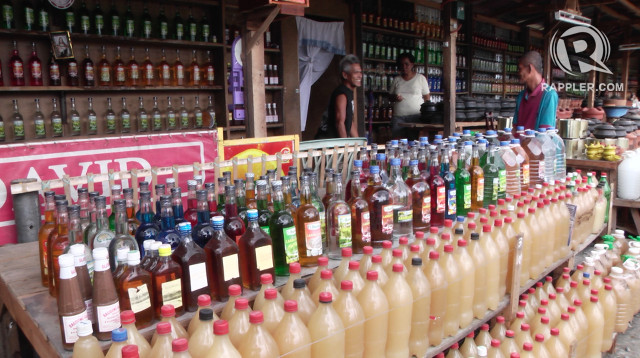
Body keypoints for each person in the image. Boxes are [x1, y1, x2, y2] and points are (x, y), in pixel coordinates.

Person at [319, 54, 362, 138]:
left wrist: (359, 144)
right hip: (330, 142)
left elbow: (349, 122)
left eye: (360, 72)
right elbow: (340, 122)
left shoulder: (349, 92)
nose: (360, 75)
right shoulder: (341, 94)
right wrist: (345, 146)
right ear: (345, 75)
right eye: (356, 72)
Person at [513, 51, 558, 130]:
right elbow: (515, 129)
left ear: (530, 68)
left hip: (537, 142)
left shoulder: (549, 95)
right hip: (520, 142)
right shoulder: (521, 96)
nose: (518, 72)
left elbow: (545, 136)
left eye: (520, 69)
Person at [389, 52, 430, 139]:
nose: (404, 67)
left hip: (416, 117)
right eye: (401, 64)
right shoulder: (397, 79)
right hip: (399, 117)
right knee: (397, 143)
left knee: (413, 142)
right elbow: (390, 97)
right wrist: (395, 98)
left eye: (406, 64)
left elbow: (427, 98)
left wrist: (426, 115)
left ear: (412, 64)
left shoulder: (420, 78)